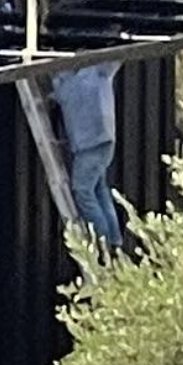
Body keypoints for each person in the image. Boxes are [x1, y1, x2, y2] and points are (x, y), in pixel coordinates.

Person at [52, 61, 124, 248]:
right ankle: (114, 240)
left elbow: (114, 59)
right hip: (99, 140)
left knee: (82, 190)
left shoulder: (96, 69)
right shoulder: (69, 81)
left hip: (91, 143)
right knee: (99, 189)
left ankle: (103, 241)